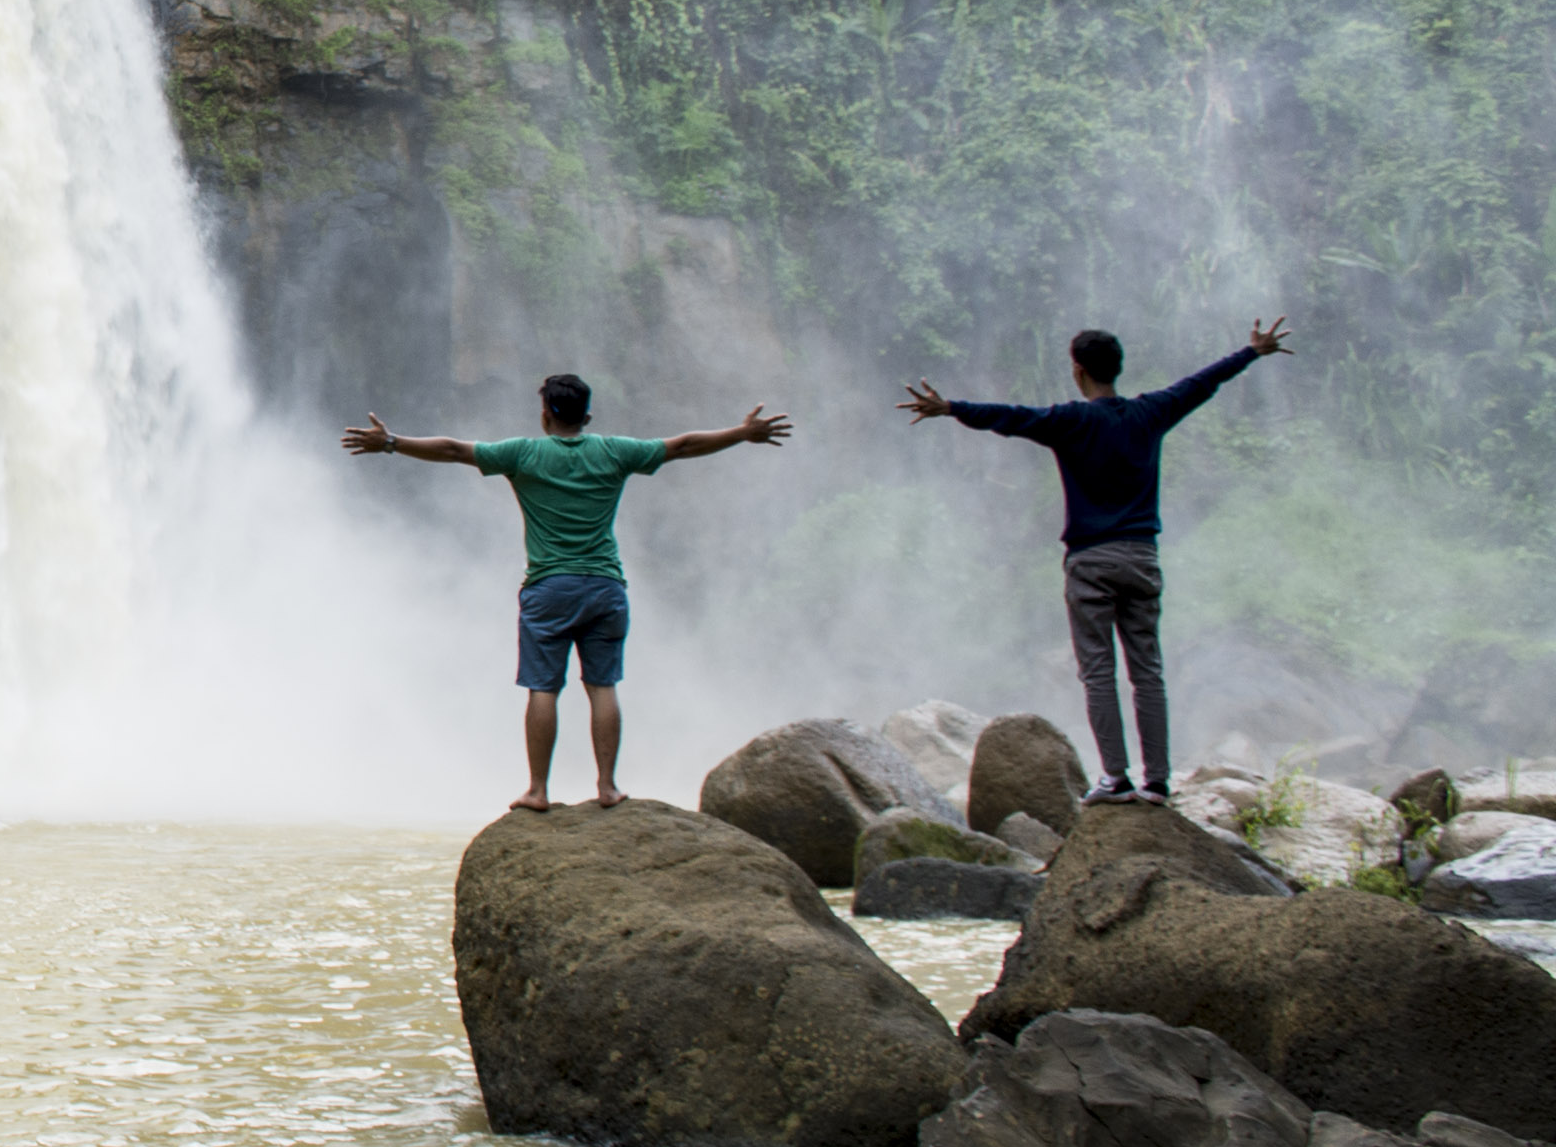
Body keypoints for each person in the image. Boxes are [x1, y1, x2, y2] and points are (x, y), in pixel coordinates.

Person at [342, 374, 794, 811]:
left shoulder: (523, 455)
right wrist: (742, 433)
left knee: (543, 689)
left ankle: (538, 790)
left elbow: (454, 449)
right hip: (604, 586)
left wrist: (391, 442)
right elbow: (682, 445)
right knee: (602, 687)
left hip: (548, 588)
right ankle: (608, 787)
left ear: (545, 414)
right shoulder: (615, 452)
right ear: (588, 415)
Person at [901, 319, 1291, 806]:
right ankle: (1158, 781)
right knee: (1147, 671)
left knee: (1099, 671)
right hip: (1141, 558)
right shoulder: (1152, 413)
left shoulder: (1071, 422)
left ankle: (1116, 778)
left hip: (1090, 562)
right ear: (1117, 369)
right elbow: (1202, 382)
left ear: (1078, 371)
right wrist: (1251, 352)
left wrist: (951, 408)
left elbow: (1011, 417)